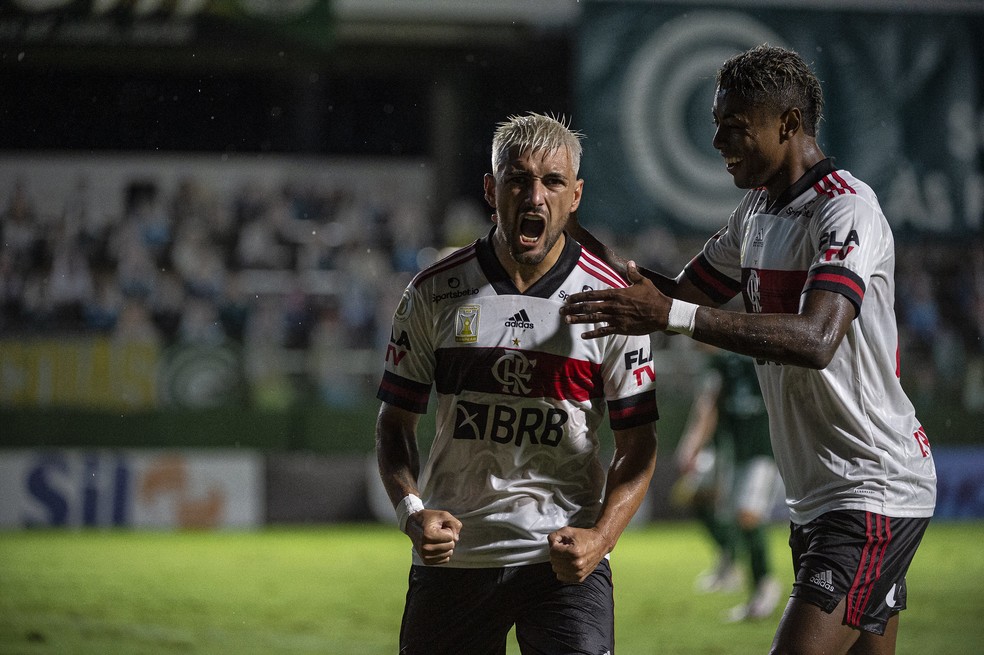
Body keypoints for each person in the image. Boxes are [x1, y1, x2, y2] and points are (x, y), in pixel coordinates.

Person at [561, 45, 936, 655]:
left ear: (787, 123)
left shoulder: (847, 210)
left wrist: (673, 314)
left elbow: (816, 339)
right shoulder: (757, 213)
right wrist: (564, 228)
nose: (716, 141)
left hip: (872, 484)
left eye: (733, 127)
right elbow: (672, 296)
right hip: (821, 489)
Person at [375, 112, 659, 655]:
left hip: (563, 563)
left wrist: (601, 539)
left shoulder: (615, 301)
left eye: (552, 182)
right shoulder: (433, 292)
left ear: (575, 196)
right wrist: (412, 512)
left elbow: (639, 444)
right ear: (491, 189)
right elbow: (395, 423)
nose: (535, 197)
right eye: (518, 179)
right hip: (457, 556)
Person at [674, 345, 783, 622]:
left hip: (762, 451)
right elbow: (708, 405)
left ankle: (765, 583)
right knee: (732, 515)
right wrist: (695, 444)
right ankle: (737, 570)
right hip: (733, 453)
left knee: (747, 516)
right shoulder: (722, 365)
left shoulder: (765, 358)